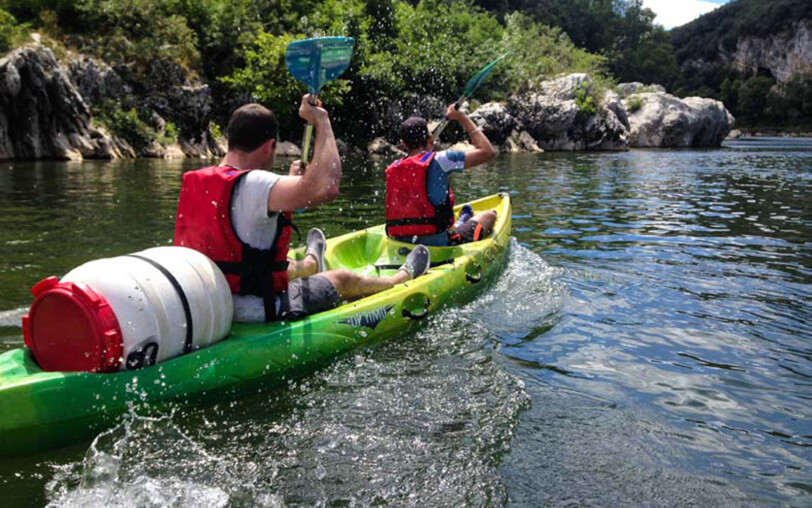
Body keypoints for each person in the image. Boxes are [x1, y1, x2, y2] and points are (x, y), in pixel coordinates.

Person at [174, 96, 430, 323]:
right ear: (269, 146)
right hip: (254, 310)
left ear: (230, 139)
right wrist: (322, 121)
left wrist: (290, 181)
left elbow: (243, 221)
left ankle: (309, 264)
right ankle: (398, 280)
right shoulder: (255, 185)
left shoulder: (196, 180)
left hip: (209, 305)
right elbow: (325, 188)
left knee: (276, 266)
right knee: (341, 278)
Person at [385, 104, 498, 247]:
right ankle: (460, 224)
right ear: (430, 139)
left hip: (398, 244)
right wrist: (462, 118)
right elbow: (487, 152)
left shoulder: (392, 168)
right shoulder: (441, 159)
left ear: (403, 144)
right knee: (490, 215)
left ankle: (461, 221)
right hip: (438, 246)